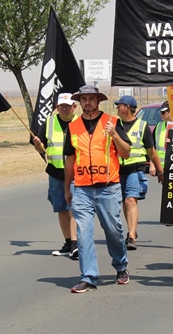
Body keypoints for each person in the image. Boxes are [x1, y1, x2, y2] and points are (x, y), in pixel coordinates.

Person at [63, 85, 132, 293]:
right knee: (83, 232)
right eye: (84, 99)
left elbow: (126, 153)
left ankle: (121, 266)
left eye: (91, 98)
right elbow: (70, 160)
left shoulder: (112, 122)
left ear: (98, 100)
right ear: (79, 102)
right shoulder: (73, 127)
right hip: (82, 189)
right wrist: (67, 187)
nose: (87, 102)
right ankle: (88, 276)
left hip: (108, 188)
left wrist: (115, 135)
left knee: (113, 230)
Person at [32, 93, 78, 260]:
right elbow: (41, 148)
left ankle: (75, 243)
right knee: (61, 207)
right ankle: (68, 242)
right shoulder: (49, 122)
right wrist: (38, 145)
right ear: (57, 107)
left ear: (74, 107)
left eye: (68, 106)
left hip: (75, 172)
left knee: (74, 207)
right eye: (61, 106)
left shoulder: (80, 122)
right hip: (55, 172)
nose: (64, 108)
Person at [114, 95, 163, 250]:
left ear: (128, 107)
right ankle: (132, 228)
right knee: (124, 201)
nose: (117, 108)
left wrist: (160, 170)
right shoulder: (115, 125)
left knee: (131, 200)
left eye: (119, 105)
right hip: (118, 169)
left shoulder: (142, 125)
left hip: (135, 168)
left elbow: (151, 151)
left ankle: (131, 236)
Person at [150, 101, 171, 175]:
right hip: (161, 168)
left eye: (163, 112)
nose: (161, 114)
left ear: (171, 112)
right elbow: (152, 147)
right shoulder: (159, 126)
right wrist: (152, 164)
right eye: (160, 112)